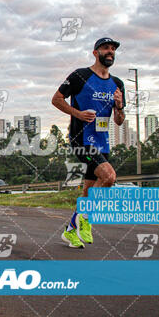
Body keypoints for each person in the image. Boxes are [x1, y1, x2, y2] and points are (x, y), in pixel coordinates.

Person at [52, 37, 126, 248]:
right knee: (109, 177)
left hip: (103, 143)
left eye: (113, 48)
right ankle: (86, 218)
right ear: (95, 52)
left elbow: (119, 121)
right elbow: (56, 99)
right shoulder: (80, 76)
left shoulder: (117, 84)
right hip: (82, 139)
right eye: (105, 48)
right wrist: (78, 114)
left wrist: (119, 107)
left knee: (89, 191)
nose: (110, 51)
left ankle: (70, 231)